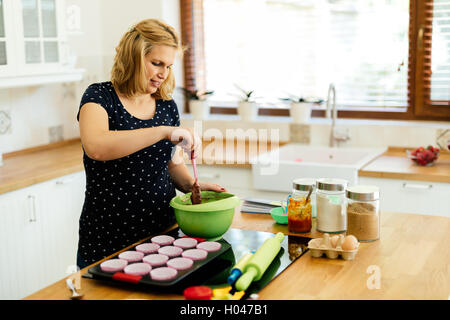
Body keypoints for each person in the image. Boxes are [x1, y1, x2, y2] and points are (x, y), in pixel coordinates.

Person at [76, 19, 226, 269]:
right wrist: (162, 132)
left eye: (168, 66)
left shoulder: (166, 106)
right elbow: (97, 147)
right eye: (156, 63)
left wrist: (191, 186)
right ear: (133, 57)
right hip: (107, 237)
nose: (163, 73)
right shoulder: (99, 97)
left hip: (162, 235)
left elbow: (171, 163)